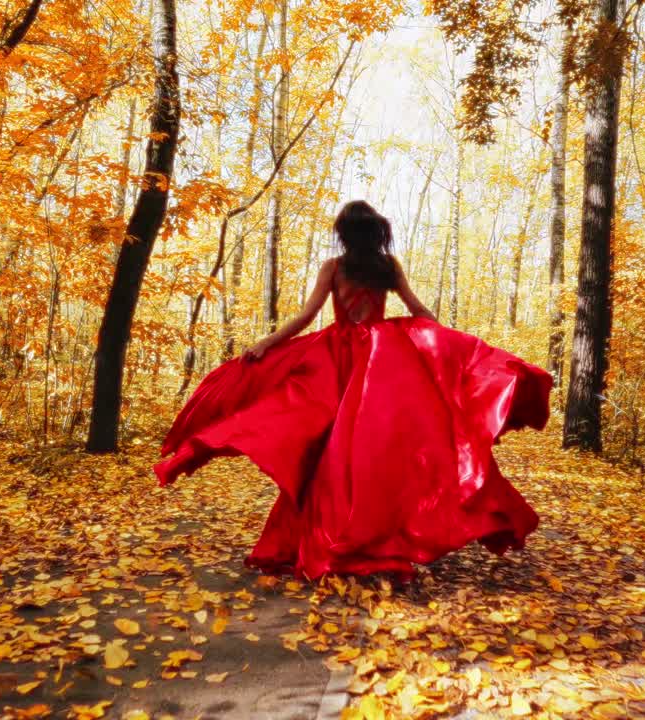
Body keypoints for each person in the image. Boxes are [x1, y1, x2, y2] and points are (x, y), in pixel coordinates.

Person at [154, 200, 552, 578]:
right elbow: (419, 310)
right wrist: (441, 343)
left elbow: (307, 315)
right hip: (383, 360)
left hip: (340, 361)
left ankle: (333, 542)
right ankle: (367, 539)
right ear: (376, 233)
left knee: (327, 453)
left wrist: (267, 344)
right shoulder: (387, 266)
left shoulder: (334, 266)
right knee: (374, 453)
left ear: (344, 234)